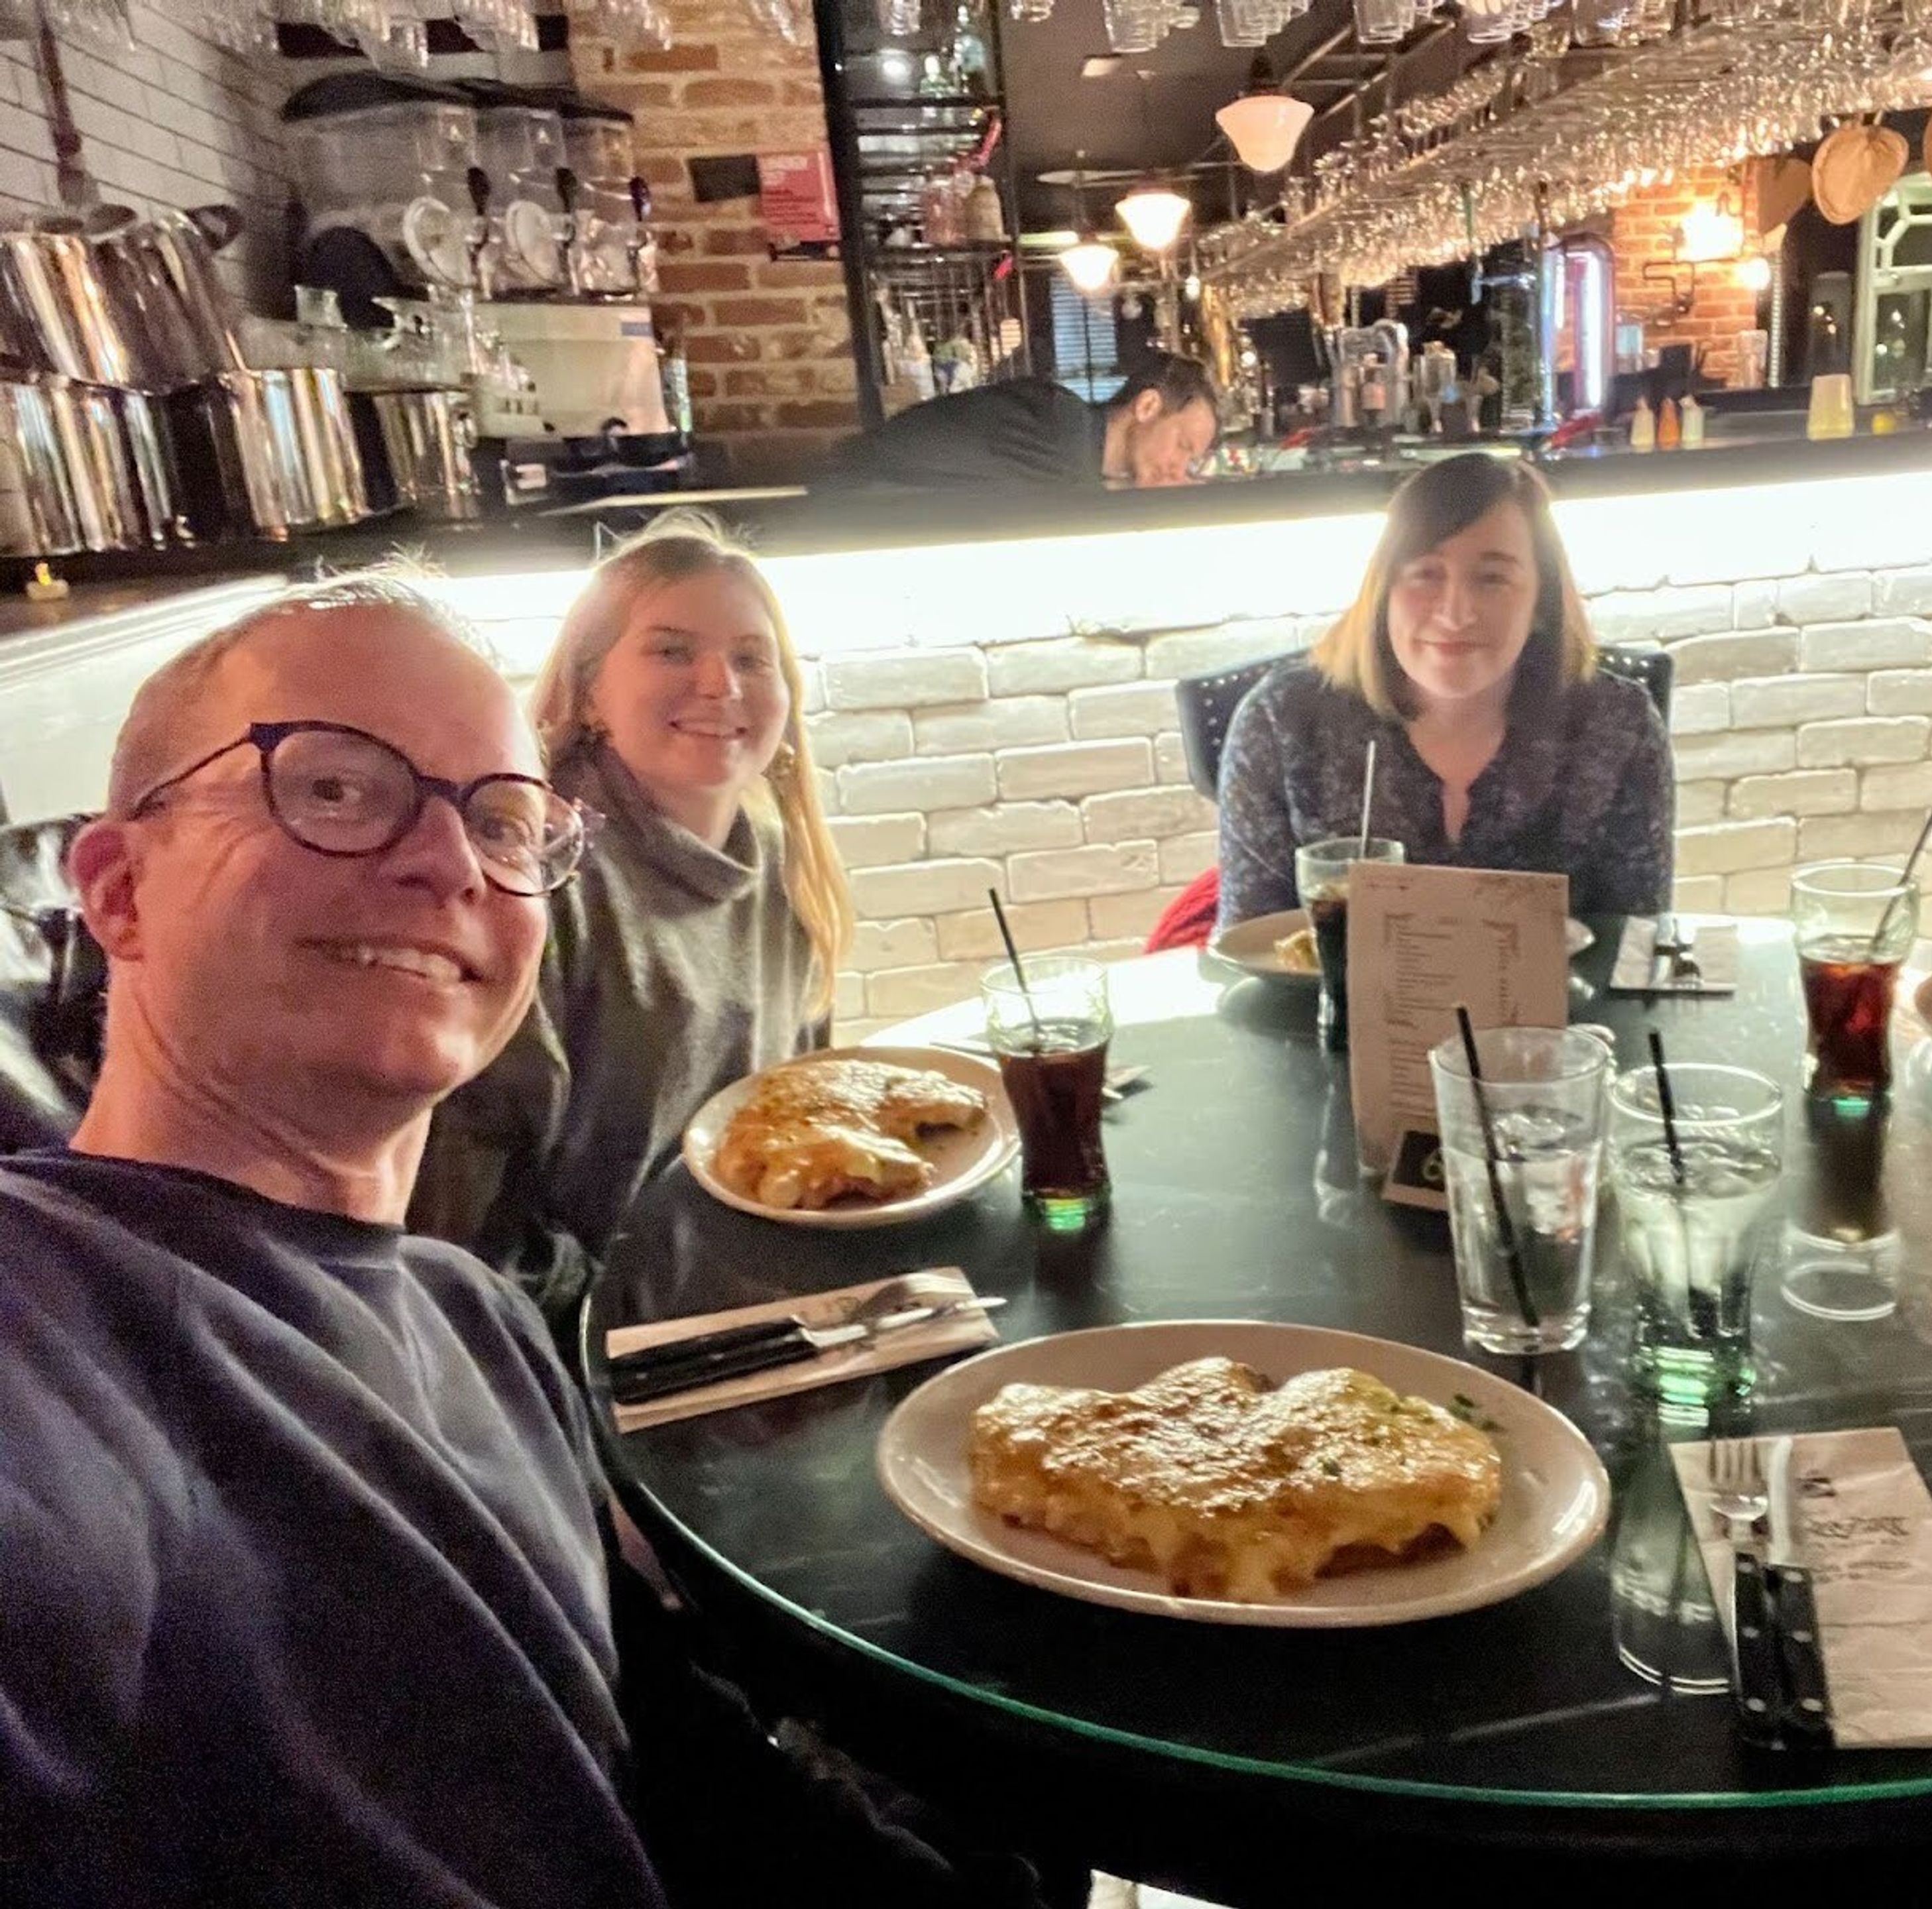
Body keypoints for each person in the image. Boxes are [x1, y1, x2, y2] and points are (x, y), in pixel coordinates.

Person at [0, 578, 1073, 1909]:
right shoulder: (43, 1322)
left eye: (502, 823)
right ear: (118, 891)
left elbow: (677, 1769)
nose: (447, 862)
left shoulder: (478, 1321)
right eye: (334, 789)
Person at [412, 518, 853, 1328]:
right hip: (581, 1341)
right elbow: (460, 1225)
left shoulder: (783, 859)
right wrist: (644, 1311)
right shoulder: (536, 883)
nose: (721, 683)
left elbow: (802, 1112)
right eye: (673, 650)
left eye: (752, 658)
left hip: (758, 1294)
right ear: (588, 696)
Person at [1214, 452, 1676, 924]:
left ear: (1542, 600)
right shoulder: (1283, 721)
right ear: (1383, 594)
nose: (1455, 614)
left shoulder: (1618, 724)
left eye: (1492, 578)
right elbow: (1251, 952)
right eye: (1426, 574)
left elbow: (1637, 949)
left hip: (1564, 1000)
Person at [823, 354, 1219, 491]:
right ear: (1148, 406)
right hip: (845, 509)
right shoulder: (1060, 437)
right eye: (1184, 446)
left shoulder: (1067, 427)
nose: (1180, 468)